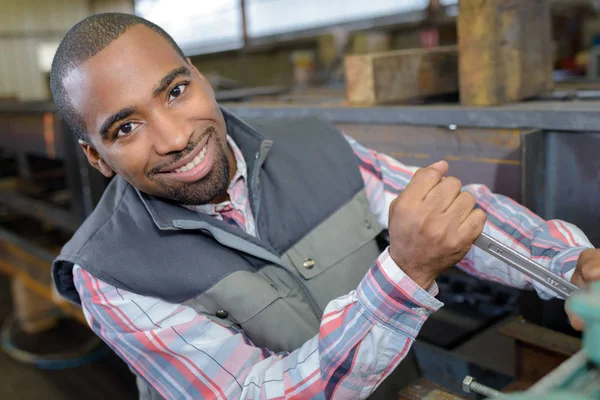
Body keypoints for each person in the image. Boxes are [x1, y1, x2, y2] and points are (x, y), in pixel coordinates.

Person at [50, 13, 598, 400]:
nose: (174, 136)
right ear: (96, 157)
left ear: (199, 75)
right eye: (126, 127)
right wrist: (404, 276)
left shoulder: (316, 145)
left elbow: (449, 212)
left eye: (174, 91)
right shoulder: (109, 274)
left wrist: (566, 264)